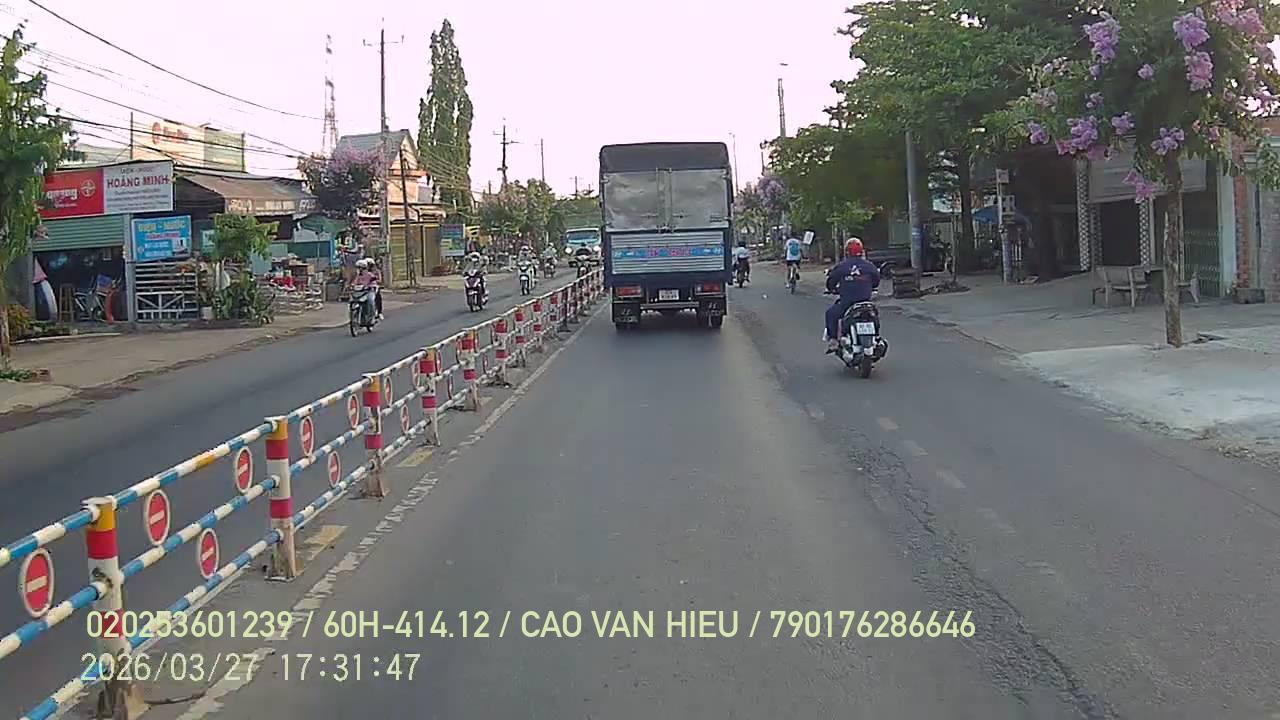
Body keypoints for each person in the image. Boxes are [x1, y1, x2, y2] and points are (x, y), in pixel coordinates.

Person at [824, 237, 880, 353]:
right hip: (866, 302)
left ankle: (833, 340)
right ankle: (876, 337)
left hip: (847, 303)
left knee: (831, 314)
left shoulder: (842, 266)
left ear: (846, 252)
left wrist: (832, 289)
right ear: (862, 251)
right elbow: (876, 281)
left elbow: (831, 282)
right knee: (874, 315)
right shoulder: (869, 266)